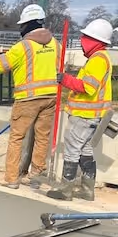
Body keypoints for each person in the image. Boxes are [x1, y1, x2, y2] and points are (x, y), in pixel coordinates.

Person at [0, 4, 61, 188]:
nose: (21, 29)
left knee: (17, 137)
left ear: (28, 24)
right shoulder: (56, 44)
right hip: (50, 97)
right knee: (42, 137)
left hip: (28, 99)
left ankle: (11, 178)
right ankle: (36, 175)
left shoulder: (23, 47)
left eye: (22, 25)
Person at [47, 19, 114, 202]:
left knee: (72, 150)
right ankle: (86, 190)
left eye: (85, 37)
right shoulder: (100, 58)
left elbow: (88, 87)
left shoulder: (97, 60)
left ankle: (65, 190)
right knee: (85, 151)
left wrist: (65, 80)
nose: (82, 40)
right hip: (92, 116)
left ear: (94, 40)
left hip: (84, 116)